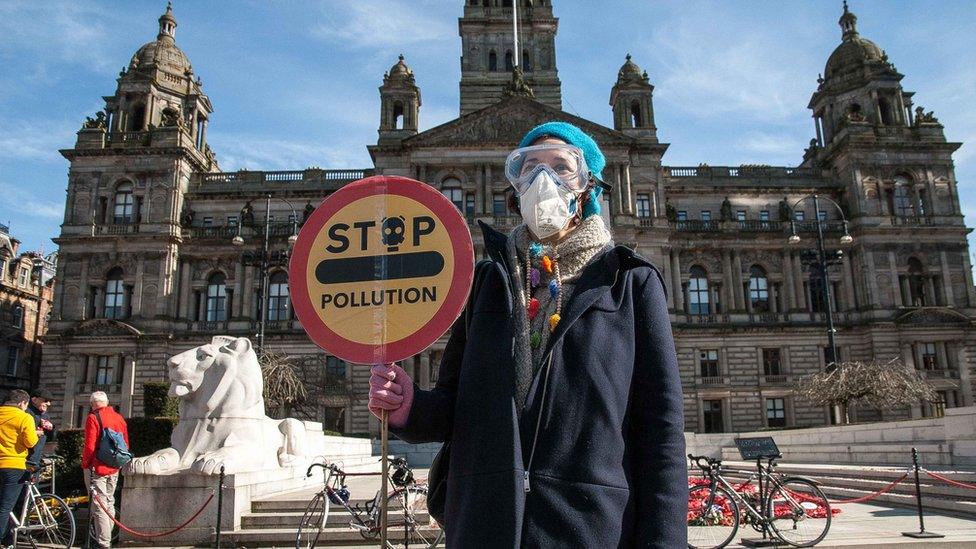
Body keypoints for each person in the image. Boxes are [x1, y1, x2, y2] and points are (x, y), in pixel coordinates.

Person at [369, 121, 687, 547]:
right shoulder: (485, 279)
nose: (543, 179)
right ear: (515, 187)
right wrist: (410, 407)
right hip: (486, 523)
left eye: (561, 166)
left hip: (587, 529)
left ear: (587, 186)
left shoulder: (630, 282)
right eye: (529, 167)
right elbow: (454, 406)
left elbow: (660, 431)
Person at [83, 391, 129, 549]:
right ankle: (106, 538)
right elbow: (126, 444)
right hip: (114, 466)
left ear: (92, 404)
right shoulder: (119, 418)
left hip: (98, 467)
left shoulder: (93, 417)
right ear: (107, 402)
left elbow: (89, 446)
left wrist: (86, 465)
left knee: (99, 505)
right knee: (109, 502)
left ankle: (103, 543)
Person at [0, 390, 38, 543]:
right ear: (22, 403)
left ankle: (9, 539)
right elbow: (30, 442)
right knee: (5, 507)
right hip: (14, 465)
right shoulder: (24, 417)